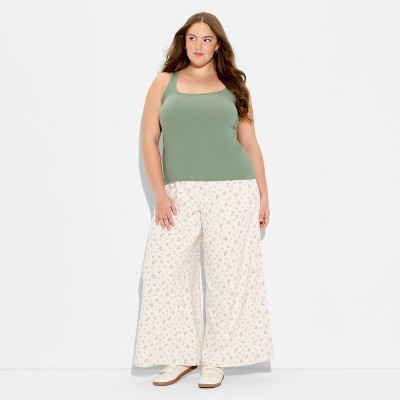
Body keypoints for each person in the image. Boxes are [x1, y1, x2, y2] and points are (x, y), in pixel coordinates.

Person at [133, 12, 275, 388]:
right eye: (193, 38)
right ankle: (181, 354)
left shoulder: (234, 86)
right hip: (179, 192)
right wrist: (160, 193)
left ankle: (217, 358)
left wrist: (264, 193)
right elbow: (149, 140)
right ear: (184, 42)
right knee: (163, 271)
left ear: (217, 45)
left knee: (227, 276)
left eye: (207, 39)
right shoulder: (164, 82)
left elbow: (250, 143)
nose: (199, 45)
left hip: (233, 189)